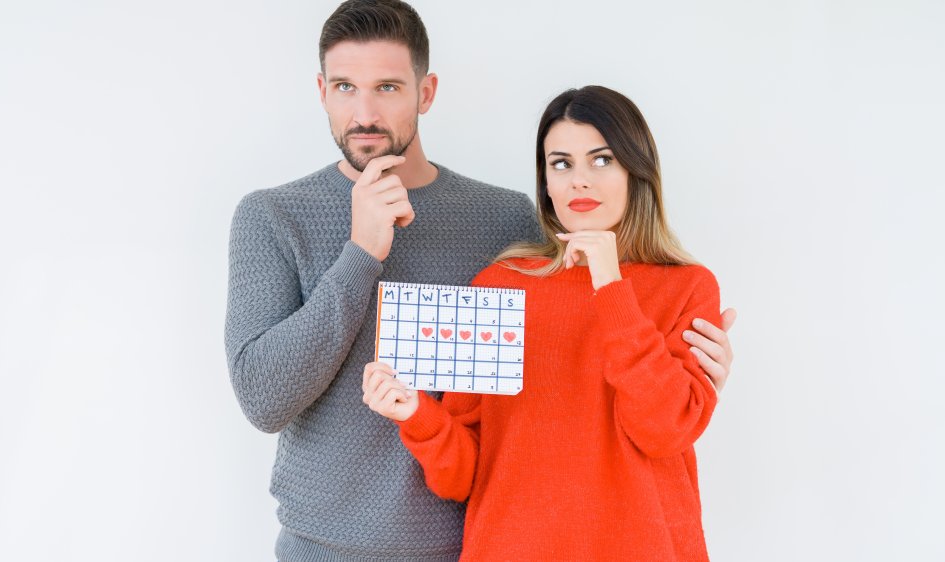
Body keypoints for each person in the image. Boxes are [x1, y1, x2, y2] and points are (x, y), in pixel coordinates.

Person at [225, 1, 735, 560]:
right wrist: (361, 254)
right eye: (346, 86)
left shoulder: (504, 223)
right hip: (326, 546)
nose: (364, 112)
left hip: (462, 542)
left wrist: (685, 378)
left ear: (427, 92)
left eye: (388, 87)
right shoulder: (274, 217)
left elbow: (633, 405)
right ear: (321, 90)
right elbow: (263, 401)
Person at [363, 85, 722, 561]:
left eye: (602, 160)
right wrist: (417, 415)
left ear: (636, 171)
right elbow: (465, 476)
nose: (579, 181)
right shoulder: (498, 285)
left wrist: (611, 286)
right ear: (545, 183)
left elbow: (662, 431)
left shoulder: (688, 287)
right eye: (561, 163)